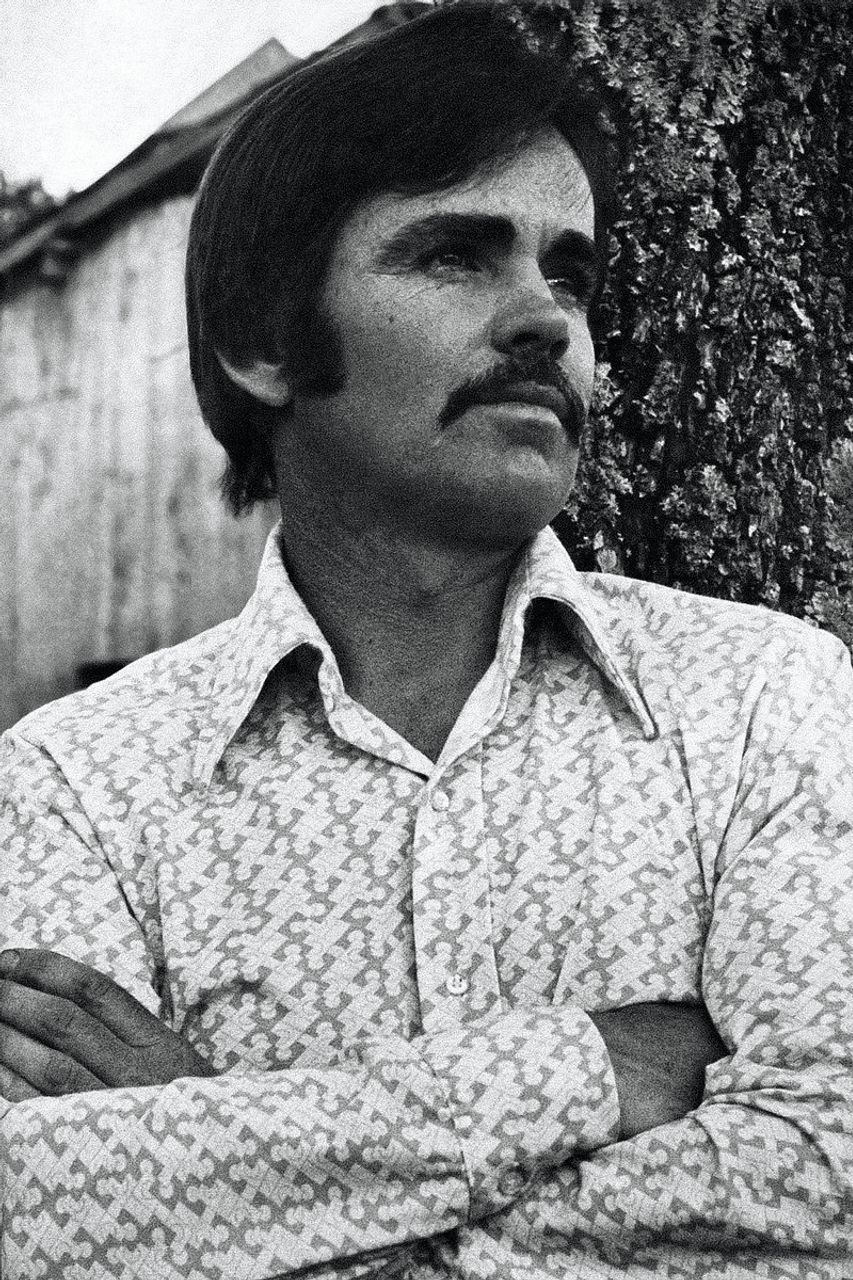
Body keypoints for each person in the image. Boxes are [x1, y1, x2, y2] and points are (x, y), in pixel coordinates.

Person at [1, 4, 851, 1276]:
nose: (546, 320)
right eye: (456, 254)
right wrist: (589, 1065)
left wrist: (227, 1151)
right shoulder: (76, 785)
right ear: (262, 343)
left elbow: (828, 1173)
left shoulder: (762, 699)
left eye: (570, 273)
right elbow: (34, 1220)